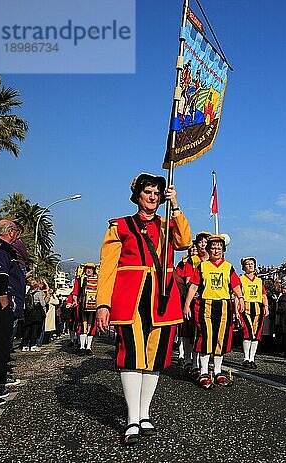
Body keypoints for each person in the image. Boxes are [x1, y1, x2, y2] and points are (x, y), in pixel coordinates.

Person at [95, 173, 192, 445]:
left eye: (157, 193)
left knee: (155, 357)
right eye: (148, 192)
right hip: (130, 298)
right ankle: (132, 417)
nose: (153, 197)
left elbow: (184, 242)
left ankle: (145, 413)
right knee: (131, 354)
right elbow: (108, 268)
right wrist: (104, 303)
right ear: (138, 195)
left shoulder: (167, 224)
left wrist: (178, 206)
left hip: (162, 297)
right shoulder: (120, 226)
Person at [183, 234, 243, 389]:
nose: (216, 250)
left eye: (219, 248)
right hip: (205, 305)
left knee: (220, 339)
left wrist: (241, 298)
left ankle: (217, 371)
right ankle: (203, 372)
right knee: (206, 337)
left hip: (224, 306)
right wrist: (187, 304)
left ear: (223, 250)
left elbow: (235, 285)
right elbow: (194, 286)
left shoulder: (229, 267)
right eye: (213, 248)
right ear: (208, 250)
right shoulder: (202, 266)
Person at [0, 220, 26, 407]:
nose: (18, 234)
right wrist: (5, 305)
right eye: (17, 231)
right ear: (10, 232)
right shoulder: (0, 251)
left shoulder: (2, 250)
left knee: (0, 347)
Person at [174, 231, 211, 377]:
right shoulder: (190, 261)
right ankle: (190, 361)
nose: (203, 244)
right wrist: (189, 294)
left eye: (206, 242)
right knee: (189, 332)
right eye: (200, 242)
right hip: (192, 299)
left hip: (208, 301)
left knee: (205, 333)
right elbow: (187, 281)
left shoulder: (215, 261)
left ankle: (205, 366)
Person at [239, 257, 269, 369]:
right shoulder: (241, 279)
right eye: (247, 264)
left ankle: (252, 358)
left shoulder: (259, 280)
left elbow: (263, 294)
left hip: (257, 307)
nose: (250, 266)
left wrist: (266, 306)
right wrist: (237, 309)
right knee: (248, 332)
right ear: (243, 267)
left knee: (256, 334)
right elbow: (238, 294)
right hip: (246, 306)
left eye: (252, 264)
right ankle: (246, 358)